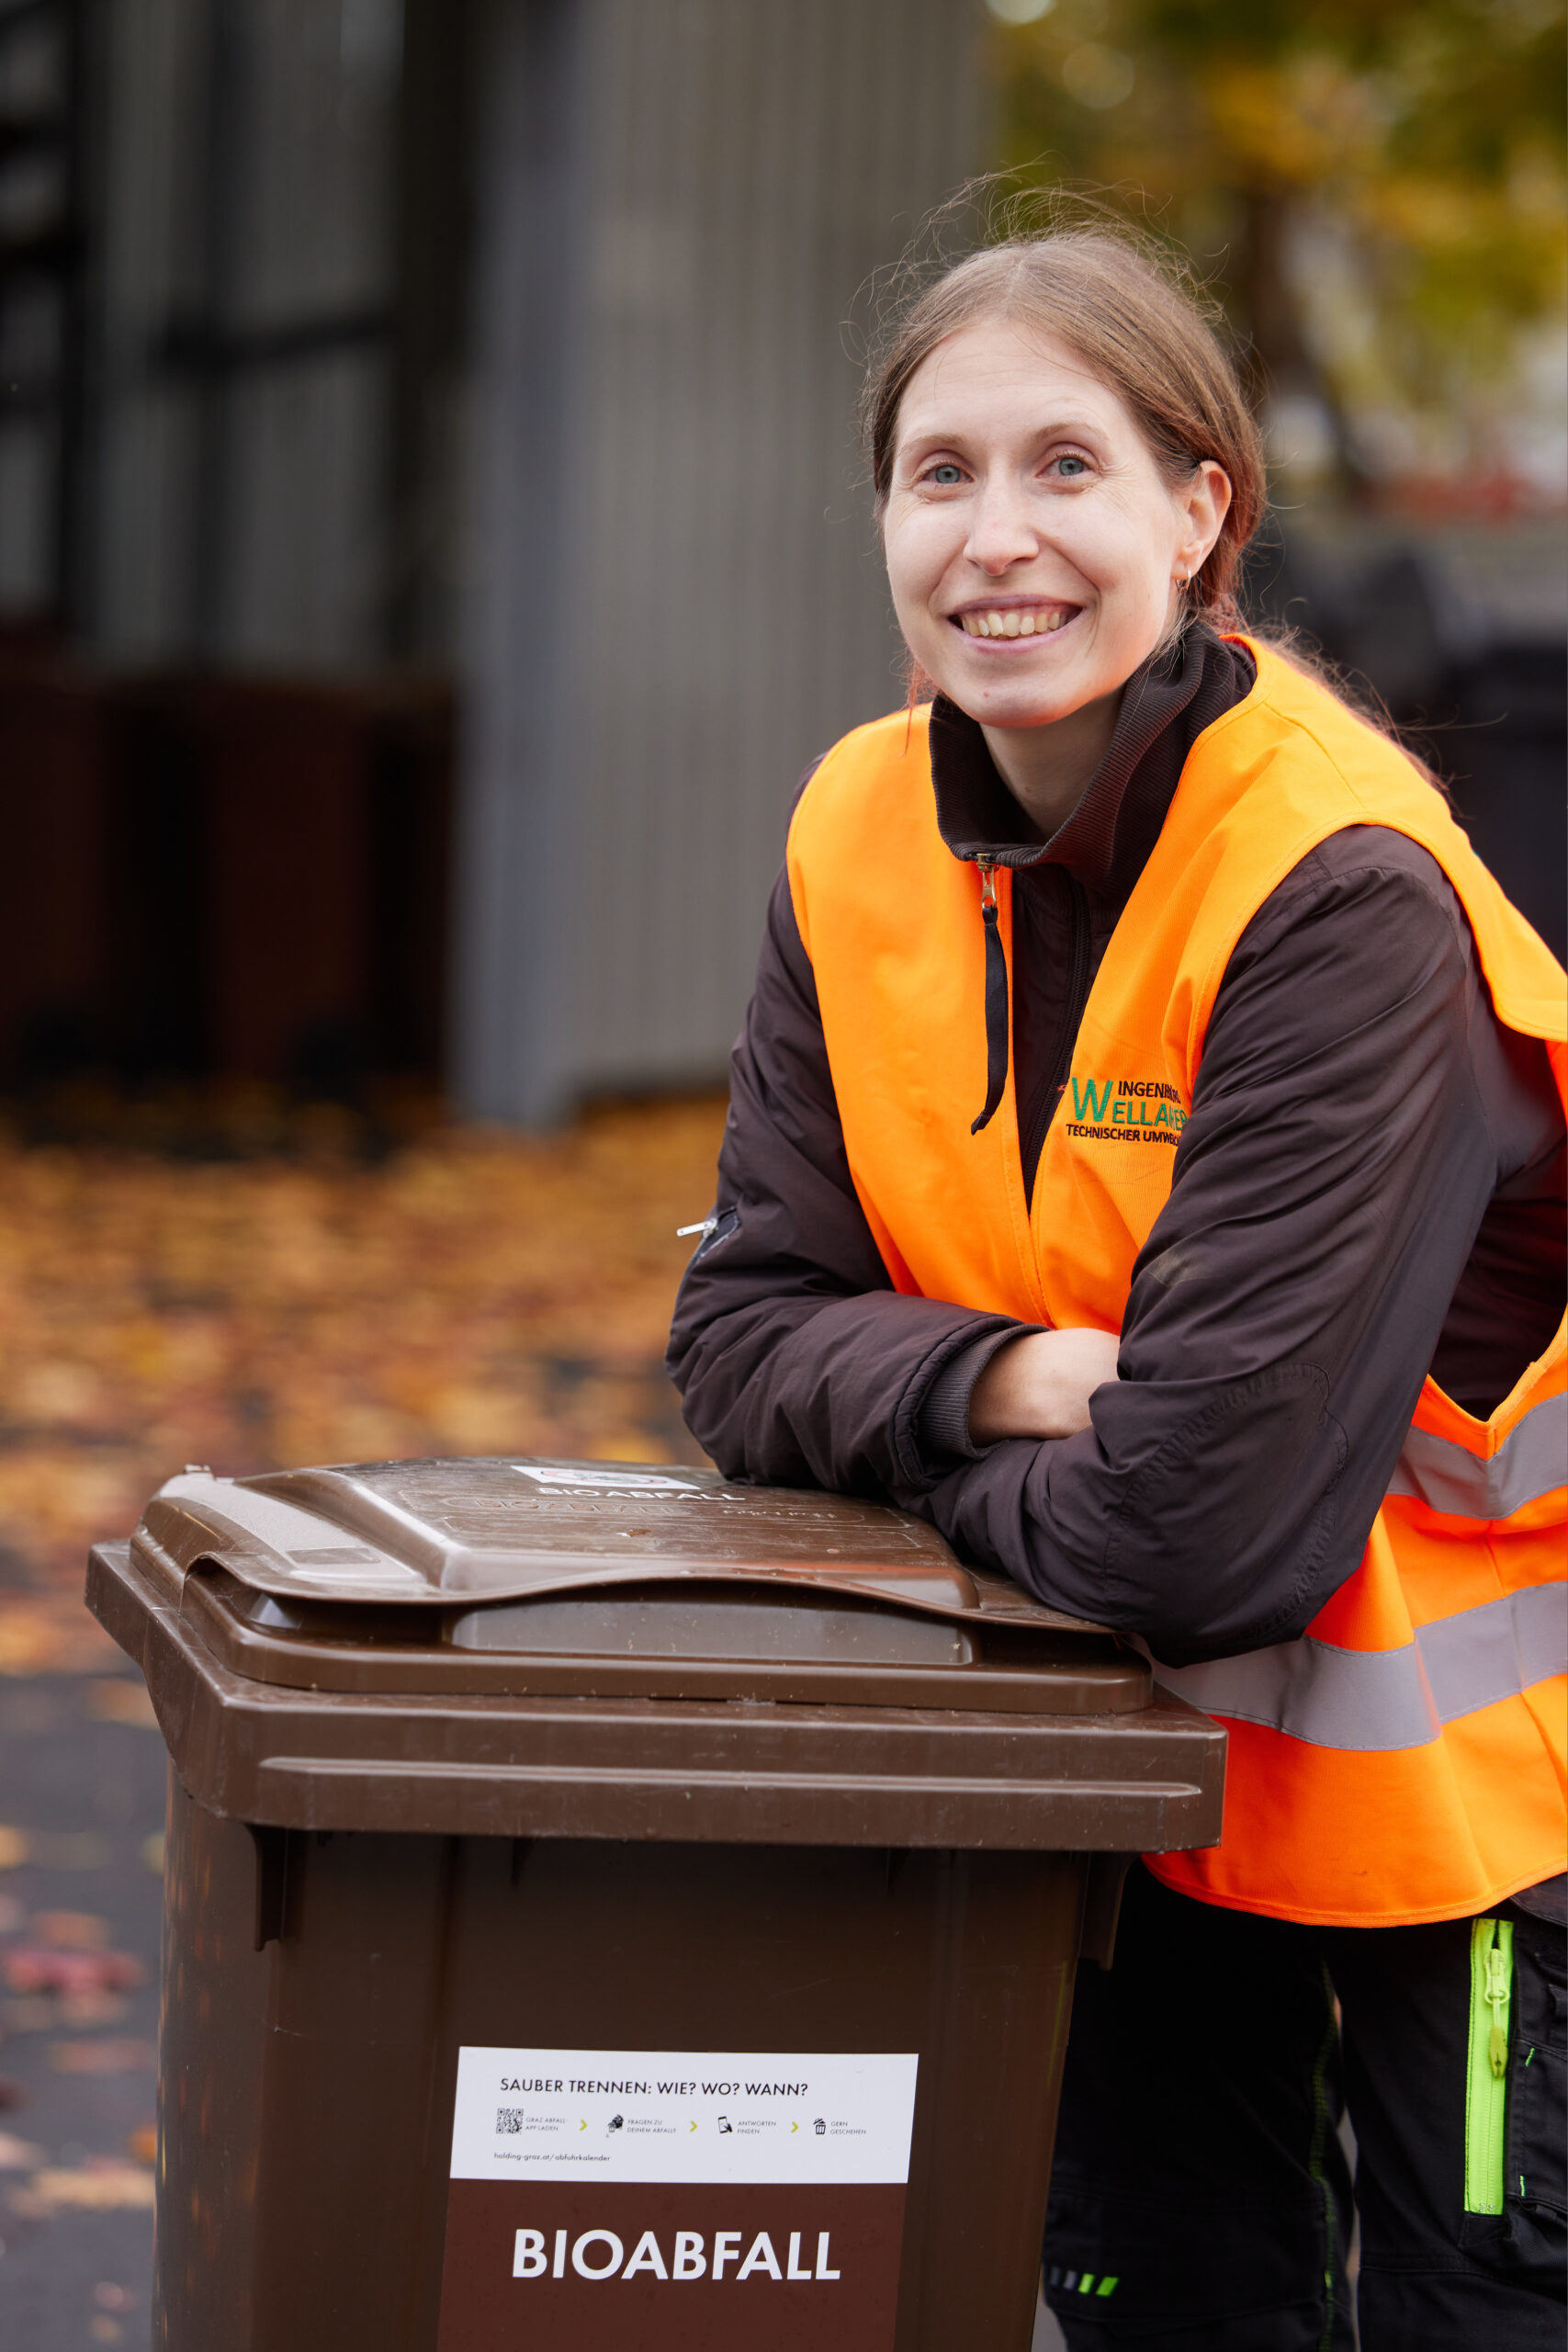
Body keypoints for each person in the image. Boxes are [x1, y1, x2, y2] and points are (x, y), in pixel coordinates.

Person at [667, 223, 1566, 2350]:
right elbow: (728, 1335)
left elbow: (1200, 1526)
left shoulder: (1332, 877)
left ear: (1196, 509)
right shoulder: (851, 830)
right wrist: (1007, 1385)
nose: (996, 537)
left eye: (1063, 466)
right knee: (1167, 2309)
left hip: (1475, 1795)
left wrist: (909, 1439)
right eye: (937, 472)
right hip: (1115, 1771)